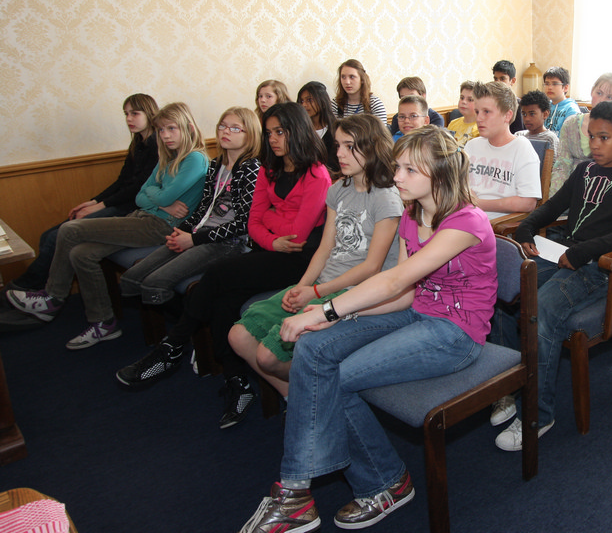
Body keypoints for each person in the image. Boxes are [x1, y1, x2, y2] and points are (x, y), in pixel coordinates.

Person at [238, 126, 497, 532]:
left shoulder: (467, 222)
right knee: (315, 349)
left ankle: (379, 483)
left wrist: (325, 311)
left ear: (440, 174)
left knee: (333, 377)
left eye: (409, 170)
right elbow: (405, 295)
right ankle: (301, 491)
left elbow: (394, 280)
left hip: (455, 334)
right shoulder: (413, 214)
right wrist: (338, 316)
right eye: (398, 167)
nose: (396, 176)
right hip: (416, 313)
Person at [114, 103, 331, 427]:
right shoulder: (269, 169)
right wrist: (272, 233)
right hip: (270, 250)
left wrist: (270, 221)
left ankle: (172, 347)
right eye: (269, 132)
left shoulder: (316, 174)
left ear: (297, 132)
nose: (273, 139)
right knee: (222, 302)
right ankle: (237, 383)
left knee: (216, 275)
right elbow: (253, 223)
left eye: (280, 132)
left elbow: (297, 234)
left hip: (299, 260)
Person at [494, 101, 612, 451]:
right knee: (502, 289)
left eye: (604, 137)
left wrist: (585, 251)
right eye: (591, 136)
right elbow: (554, 206)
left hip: (600, 267)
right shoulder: (584, 170)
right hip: (564, 253)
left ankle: (537, 413)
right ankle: (506, 387)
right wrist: (527, 227)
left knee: (542, 310)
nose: (594, 144)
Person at [229, 114, 403, 399]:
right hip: (323, 283)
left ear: (373, 148)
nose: (340, 154)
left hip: (353, 292)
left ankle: (312, 392)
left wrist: (317, 292)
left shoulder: (386, 197)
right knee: (238, 336)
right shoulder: (338, 190)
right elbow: (325, 248)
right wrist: (302, 287)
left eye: (350, 146)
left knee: (267, 357)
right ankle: (293, 395)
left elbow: (372, 267)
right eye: (338, 145)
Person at [7, 103, 208, 349]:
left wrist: (159, 198)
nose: (165, 135)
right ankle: (103, 323)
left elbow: (159, 195)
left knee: (70, 229)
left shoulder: (195, 158)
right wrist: (163, 202)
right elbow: (140, 195)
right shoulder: (168, 156)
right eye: (161, 130)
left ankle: (52, 296)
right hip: (142, 217)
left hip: (160, 226)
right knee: (81, 254)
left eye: (171, 129)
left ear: (188, 128)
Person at [8, 93, 160, 293]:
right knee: (47, 235)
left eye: (135, 113)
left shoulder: (157, 145)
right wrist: (93, 201)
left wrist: (100, 206)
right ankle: (38, 288)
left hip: (133, 209)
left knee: (56, 236)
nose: (129, 119)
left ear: (149, 113)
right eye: (126, 114)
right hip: (120, 202)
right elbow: (122, 181)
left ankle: (26, 287)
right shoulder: (138, 144)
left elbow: (138, 188)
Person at [115, 107, 262, 310]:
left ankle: (184, 323)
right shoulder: (216, 165)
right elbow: (203, 207)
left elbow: (243, 224)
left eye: (235, 128)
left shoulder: (252, 168)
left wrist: (193, 240)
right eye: (222, 126)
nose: (226, 132)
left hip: (227, 242)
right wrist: (182, 231)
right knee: (132, 277)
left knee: (153, 282)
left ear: (251, 134)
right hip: (198, 233)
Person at [464, 81, 541, 221]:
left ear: (507, 115)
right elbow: (459, 186)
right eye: (477, 112)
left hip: (497, 224)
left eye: (486, 112)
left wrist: (479, 203)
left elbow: (528, 203)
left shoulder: (521, 148)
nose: (479, 118)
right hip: (466, 217)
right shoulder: (471, 146)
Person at [550, 73, 612, 195]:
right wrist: (555, 200)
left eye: (610, 97)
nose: (602, 100)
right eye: (599, 93)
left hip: (602, 194)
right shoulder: (571, 124)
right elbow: (562, 166)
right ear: (592, 91)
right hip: (570, 191)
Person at [332, 59, 387, 125]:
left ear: (362, 79)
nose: (347, 82)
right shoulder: (335, 104)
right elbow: (332, 129)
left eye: (352, 77)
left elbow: (381, 131)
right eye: (343, 77)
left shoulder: (375, 104)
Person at [297, 81, 339, 168]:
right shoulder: (299, 130)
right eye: (301, 101)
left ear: (322, 101)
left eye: (309, 100)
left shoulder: (337, 129)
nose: (304, 105)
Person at [515, 90, 559, 156]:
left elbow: (552, 162)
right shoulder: (519, 135)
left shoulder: (550, 139)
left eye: (532, 114)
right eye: (524, 114)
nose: (527, 119)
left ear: (545, 114)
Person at [542, 66, 580, 134]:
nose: (549, 87)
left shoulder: (571, 109)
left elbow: (572, 136)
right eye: (547, 84)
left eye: (554, 84)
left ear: (565, 87)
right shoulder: (544, 106)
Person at [492, 60, 525, 133]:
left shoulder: (519, 104)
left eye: (502, 79)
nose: (498, 82)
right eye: (496, 79)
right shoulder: (491, 103)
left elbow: (519, 132)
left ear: (512, 81)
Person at [447, 80, 479, 147]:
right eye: (462, 98)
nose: (464, 102)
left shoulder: (480, 128)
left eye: (470, 100)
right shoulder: (453, 124)